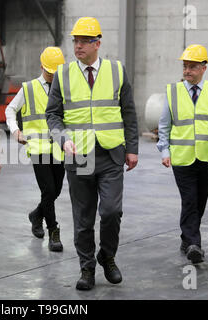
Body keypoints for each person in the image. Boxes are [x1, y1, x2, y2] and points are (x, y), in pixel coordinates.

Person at [46, 17, 139, 291]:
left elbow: (129, 113)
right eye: (75, 40)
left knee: (111, 212)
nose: (78, 46)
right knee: (83, 218)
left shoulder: (117, 71)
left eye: (84, 41)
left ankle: (107, 256)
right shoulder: (63, 74)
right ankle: (87, 267)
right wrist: (62, 139)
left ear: (98, 43)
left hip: (111, 153)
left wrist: (132, 148)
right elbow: (52, 115)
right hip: (79, 156)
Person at [157, 44, 208, 264]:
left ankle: (186, 237)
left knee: (199, 202)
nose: (187, 71)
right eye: (185, 66)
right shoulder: (173, 92)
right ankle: (195, 245)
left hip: (207, 156)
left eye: (192, 67)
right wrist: (165, 150)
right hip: (181, 158)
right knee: (190, 200)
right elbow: (164, 125)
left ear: (204, 68)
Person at [6, 46, 65, 252]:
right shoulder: (28, 88)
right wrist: (15, 131)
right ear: (42, 67)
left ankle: (36, 215)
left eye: (56, 73)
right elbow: (10, 109)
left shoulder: (64, 88)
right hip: (37, 147)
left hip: (59, 148)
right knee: (48, 190)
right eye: (50, 72)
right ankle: (53, 231)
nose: (53, 76)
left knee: (55, 190)